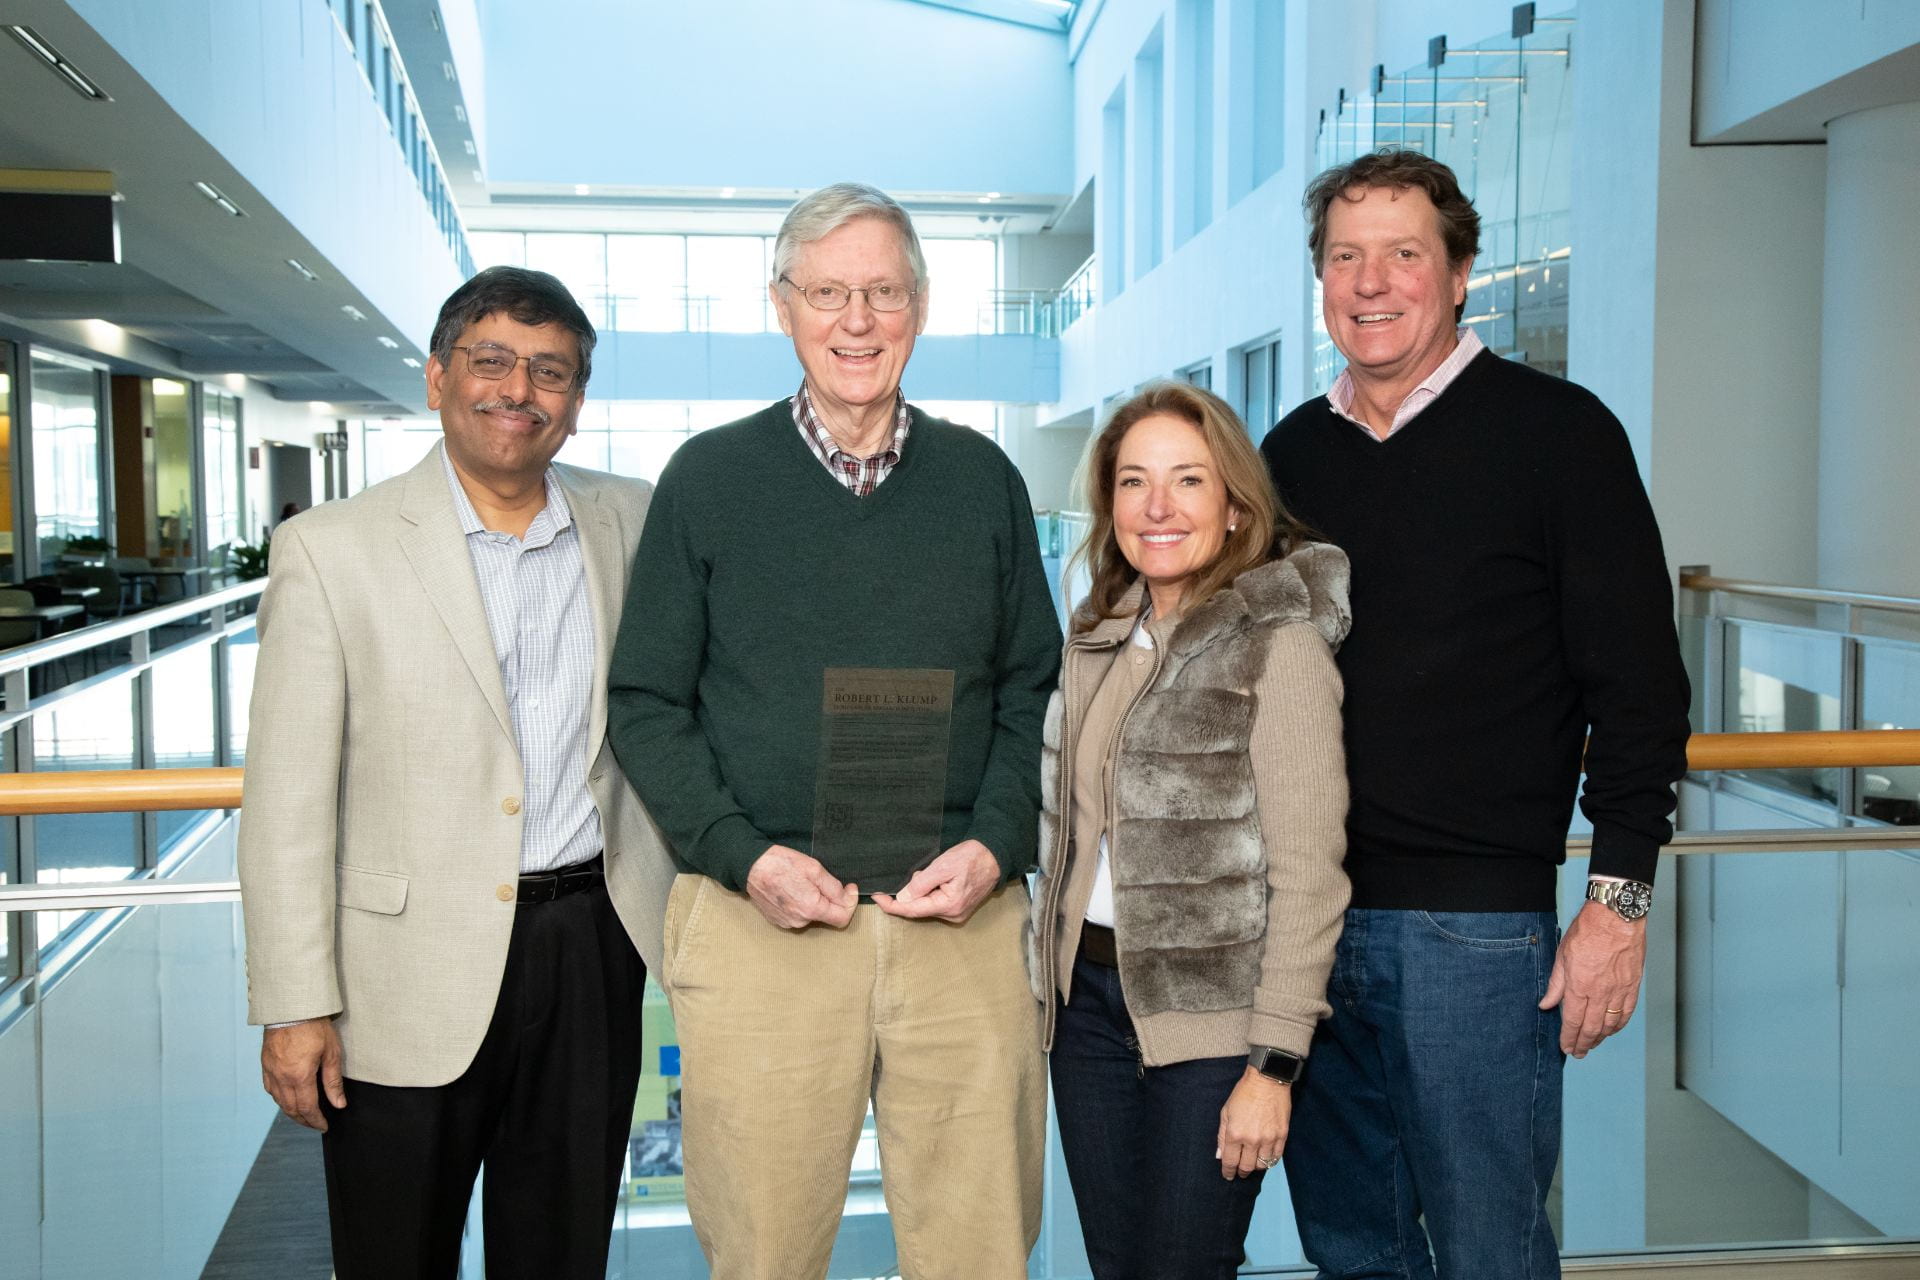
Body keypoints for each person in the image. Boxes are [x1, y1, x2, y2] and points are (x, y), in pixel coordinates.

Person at [606, 181, 1061, 1280]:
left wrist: (999, 842)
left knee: (980, 1249)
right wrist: (740, 854)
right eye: (827, 292)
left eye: (882, 291)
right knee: (763, 1252)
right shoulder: (709, 481)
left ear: (920, 304)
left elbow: (1033, 686)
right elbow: (646, 702)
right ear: (782, 306)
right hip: (764, 927)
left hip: (958, 926)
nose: (856, 319)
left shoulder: (985, 481)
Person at [1260, 149, 1692, 1279]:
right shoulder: (1289, 456)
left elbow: (1642, 690)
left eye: (1404, 253)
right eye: (1345, 257)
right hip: (1305, 924)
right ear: (1319, 281)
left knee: (1491, 1252)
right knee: (1352, 1250)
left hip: (1478, 936)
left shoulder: (1561, 434)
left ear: (1458, 273)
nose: (1372, 281)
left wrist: (1618, 904)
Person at [238, 266, 674, 1279]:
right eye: (492, 360)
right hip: (399, 974)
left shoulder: (634, 521)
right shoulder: (329, 551)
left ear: (575, 399)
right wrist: (295, 1000)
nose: (518, 388)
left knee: (561, 1255)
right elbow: (288, 803)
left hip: (590, 946)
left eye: (550, 370)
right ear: (438, 376)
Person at [1031, 383, 1351, 1280]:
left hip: (1215, 1033)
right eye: (1134, 483)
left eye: (1187, 481)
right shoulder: (1099, 634)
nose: (1157, 507)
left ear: (1237, 504)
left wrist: (1274, 1065)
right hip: (1086, 1012)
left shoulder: (1276, 647)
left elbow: (1310, 876)